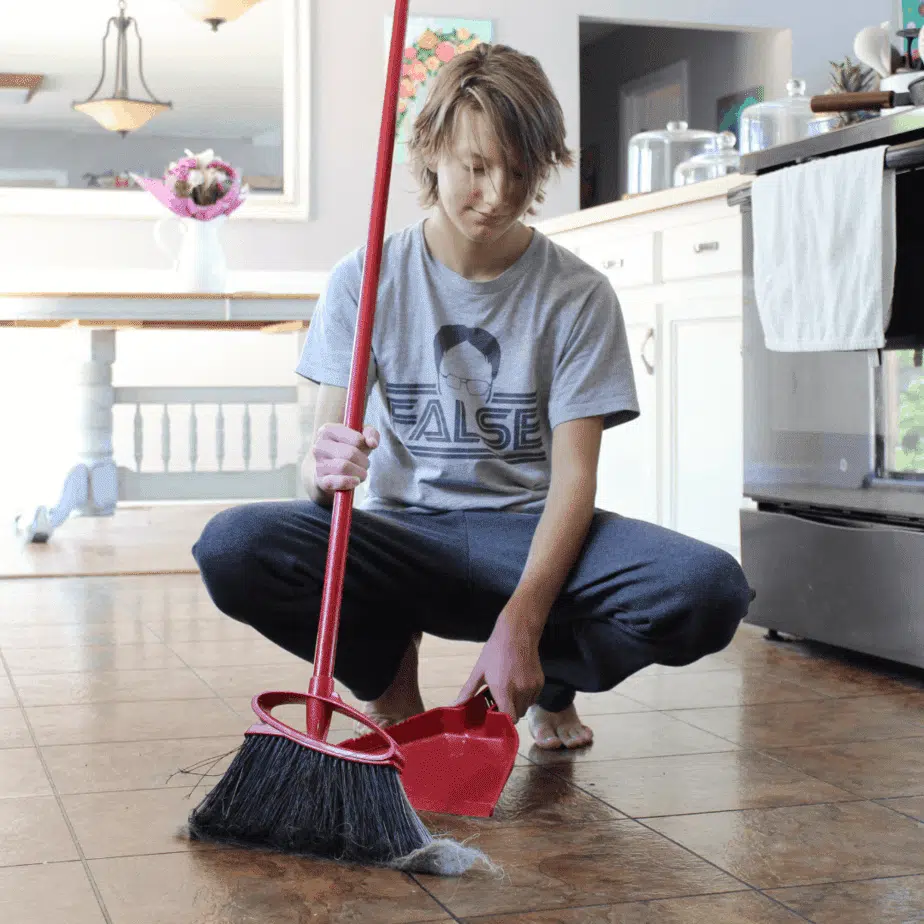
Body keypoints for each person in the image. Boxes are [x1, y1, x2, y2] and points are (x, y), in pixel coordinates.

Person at [192, 43, 752, 750]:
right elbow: (317, 469)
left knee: (709, 591)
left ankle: (544, 675)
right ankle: (389, 680)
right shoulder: (364, 277)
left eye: (519, 173)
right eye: (477, 168)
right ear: (432, 153)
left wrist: (522, 622)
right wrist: (322, 467)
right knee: (233, 546)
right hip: (399, 534)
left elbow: (576, 479)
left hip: (528, 534)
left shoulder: (578, 296)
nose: (498, 195)